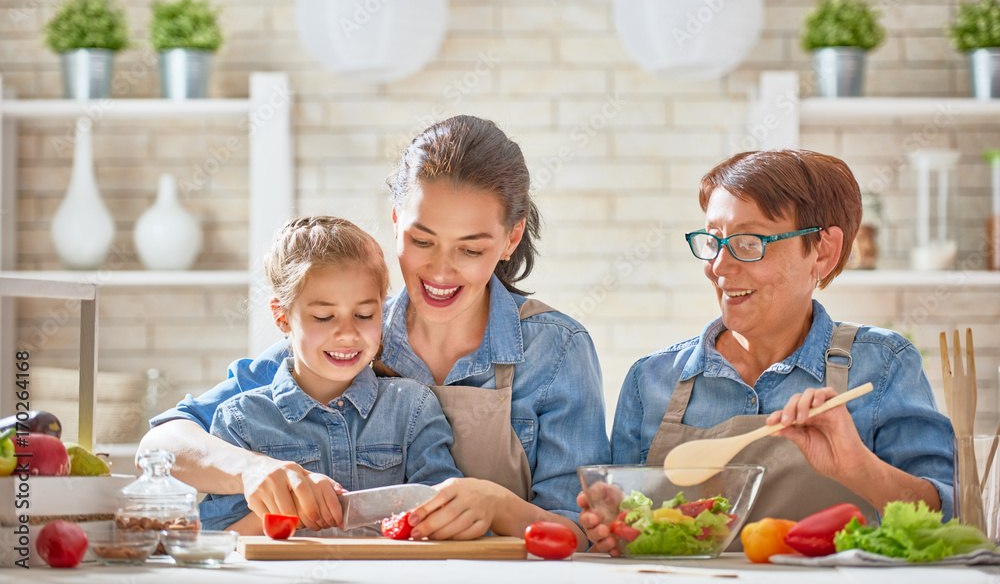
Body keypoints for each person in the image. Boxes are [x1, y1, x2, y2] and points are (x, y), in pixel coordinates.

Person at [140, 116, 610, 546]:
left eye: (470, 249)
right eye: (421, 241)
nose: (440, 271)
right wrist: (249, 469)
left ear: (510, 238)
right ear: (395, 221)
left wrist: (500, 506)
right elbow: (161, 443)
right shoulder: (354, 332)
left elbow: (580, 531)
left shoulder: (556, 348)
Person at [578, 149, 955, 555]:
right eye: (714, 239)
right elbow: (632, 537)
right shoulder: (650, 381)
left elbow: (949, 522)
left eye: (748, 241)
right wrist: (613, 528)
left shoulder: (883, 366)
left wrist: (858, 467)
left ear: (822, 252)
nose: (720, 266)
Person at [199, 216, 461, 533]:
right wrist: (291, 509)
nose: (348, 334)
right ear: (282, 316)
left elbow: (445, 519)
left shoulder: (413, 408)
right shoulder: (240, 422)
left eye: (364, 314)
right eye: (324, 317)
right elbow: (218, 540)